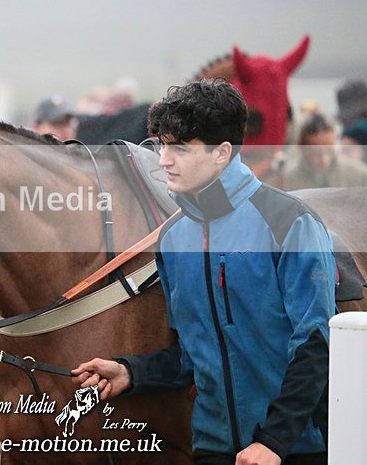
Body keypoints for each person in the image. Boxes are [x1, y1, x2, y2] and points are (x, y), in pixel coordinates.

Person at [72, 78, 336, 464]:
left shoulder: (289, 222)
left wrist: (274, 442)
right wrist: (133, 373)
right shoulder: (174, 238)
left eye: (179, 148)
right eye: (163, 145)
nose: (163, 160)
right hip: (211, 447)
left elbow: (317, 344)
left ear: (222, 152)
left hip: (292, 449)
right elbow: (192, 355)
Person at [282, 112, 367, 191]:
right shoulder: (286, 182)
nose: (324, 159)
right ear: (302, 149)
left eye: (329, 151)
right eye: (315, 154)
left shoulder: (360, 175)